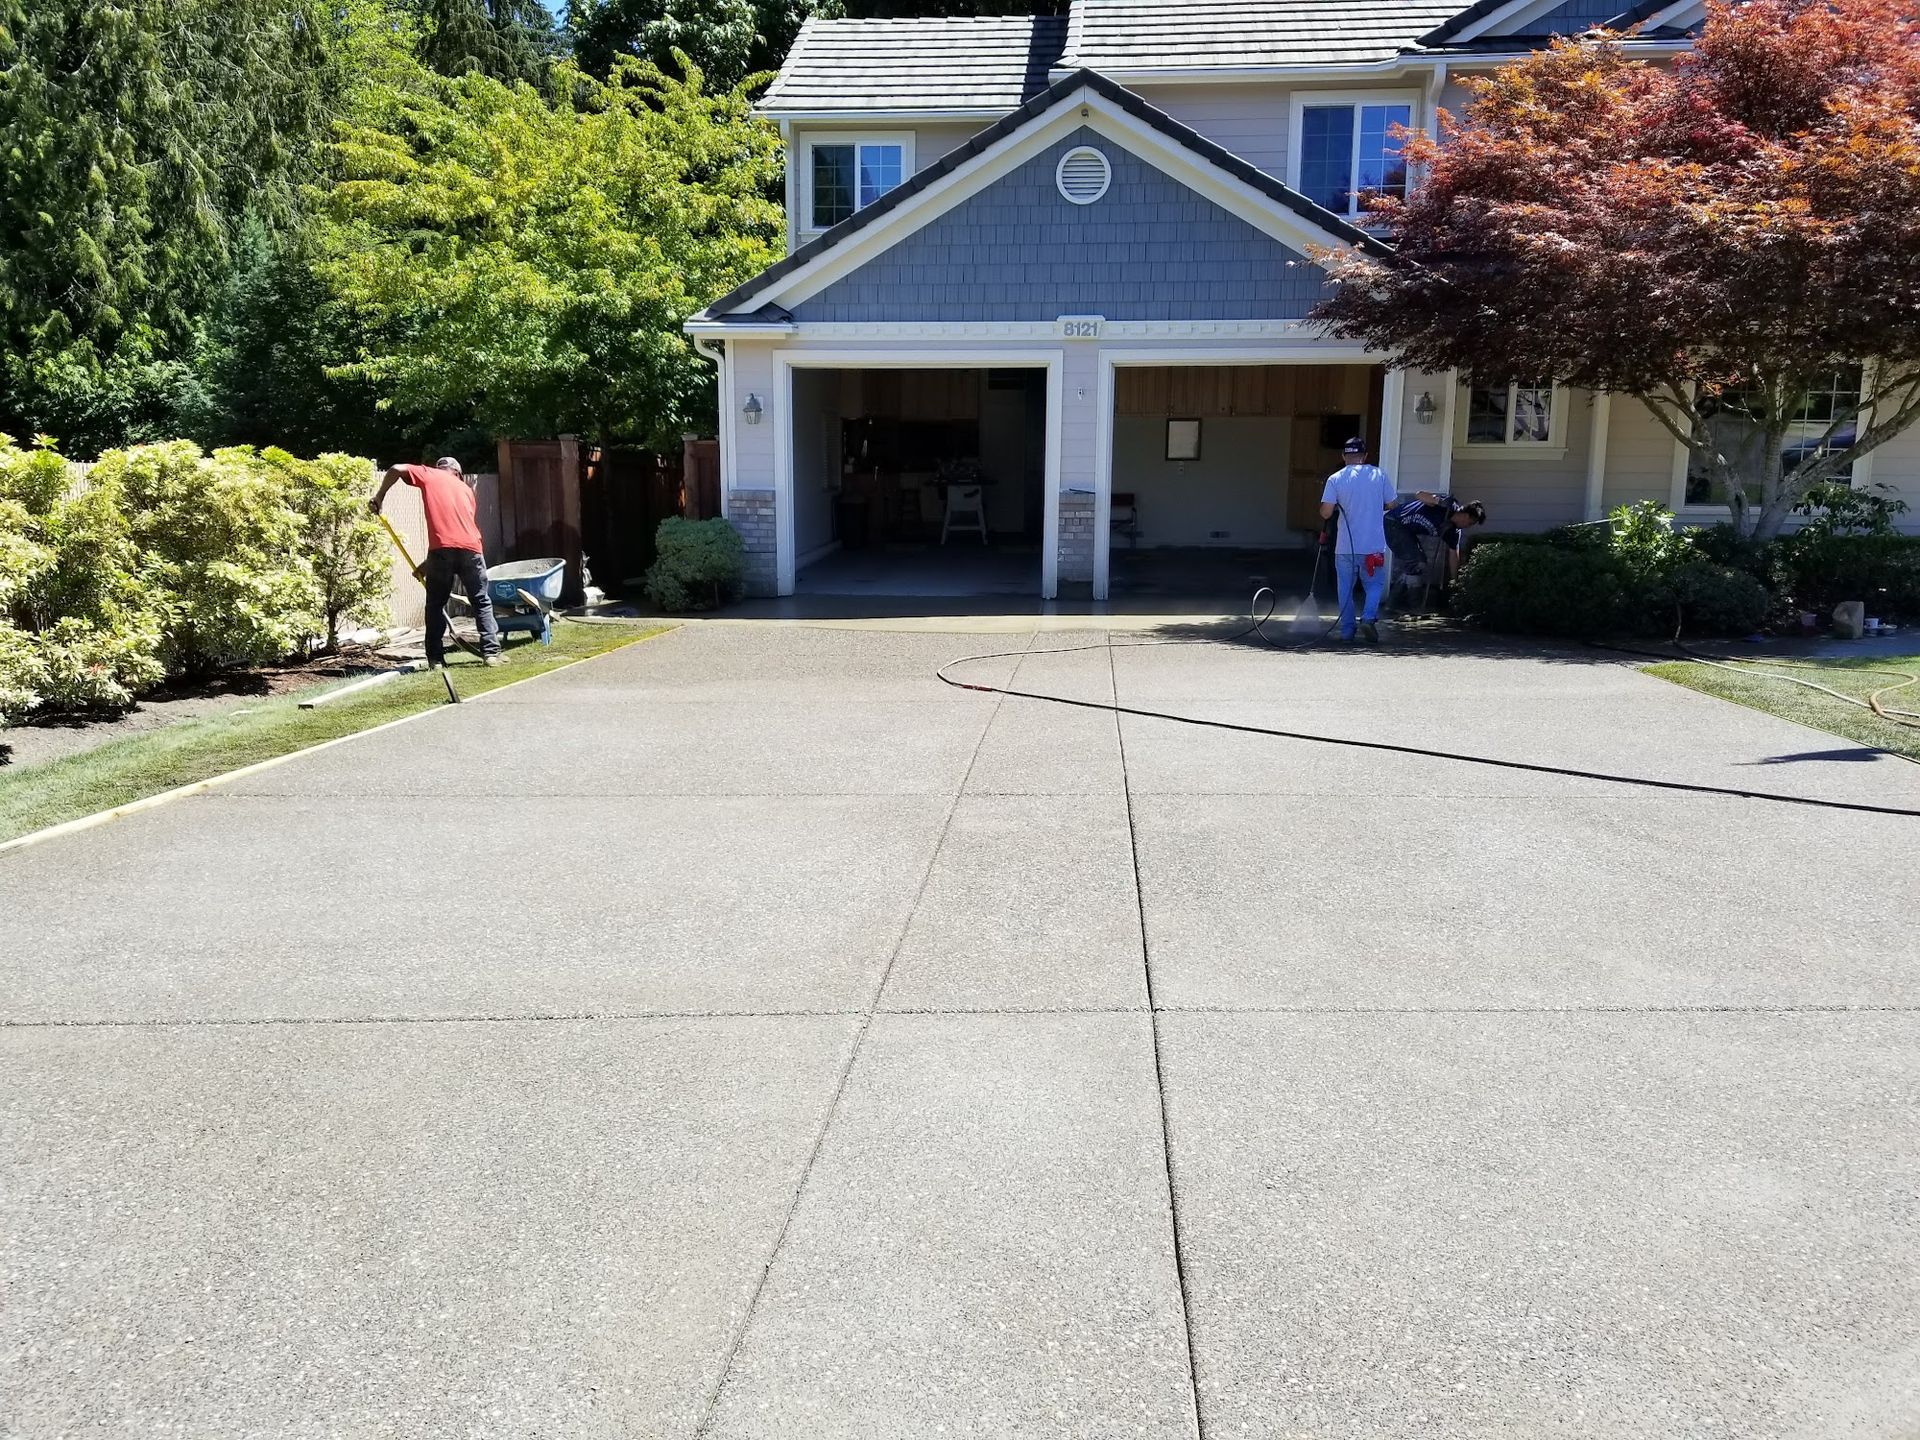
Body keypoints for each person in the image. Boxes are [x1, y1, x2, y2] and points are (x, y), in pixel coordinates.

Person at [369, 457, 503, 668]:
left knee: (435, 604)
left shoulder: (429, 474)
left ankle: (435, 659)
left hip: (441, 551)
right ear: (458, 473)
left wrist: (379, 496)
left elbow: (395, 468)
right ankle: (491, 654)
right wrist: (427, 565)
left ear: (439, 469)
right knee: (481, 602)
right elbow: (458, 535)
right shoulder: (467, 490)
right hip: (472, 550)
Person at [1319, 437, 1397, 644]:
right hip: (1373, 546)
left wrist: (1336, 506)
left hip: (1345, 547)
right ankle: (1368, 618)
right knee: (1374, 585)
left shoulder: (1335, 479)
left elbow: (1326, 513)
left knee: (1345, 588)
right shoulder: (1378, 475)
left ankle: (1347, 631)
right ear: (1365, 456)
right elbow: (1392, 504)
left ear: (1344, 456)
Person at [1385, 491, 1487, 588]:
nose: (1468, 526)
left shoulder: (1453, 532)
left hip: (1406, 531)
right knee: (1416, 562)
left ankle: (1402, 601)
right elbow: (1419, 494)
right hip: (1394, 521)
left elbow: (1454, 556)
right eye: (1470, 523)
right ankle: (1407, 601)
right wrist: (1439, 501)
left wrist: (1454, 580)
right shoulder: (1448, 506)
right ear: (1465, 515)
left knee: (1418, 564)